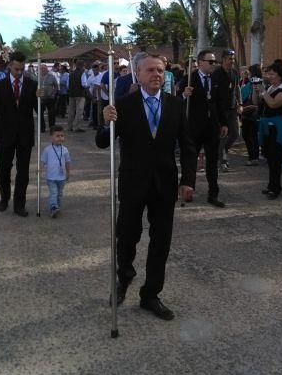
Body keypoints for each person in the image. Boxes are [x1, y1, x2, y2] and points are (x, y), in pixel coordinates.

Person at [96, 52, 196, 320]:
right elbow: (103, 142)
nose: (157, 75)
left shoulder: (175, 105)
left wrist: (188, 180)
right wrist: (106, 122)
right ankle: (124, 276)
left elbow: (187, 146)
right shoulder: (124, 105)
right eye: (151, 70)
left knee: (161, 240)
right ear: (137, 74)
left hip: (164, 183)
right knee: (127, 234)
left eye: (161, 71)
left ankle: (151, 294)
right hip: (133, 180)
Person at [0, 51, 39, 217]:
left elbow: (39, 110)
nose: (19, 72)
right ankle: (4, 197)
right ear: (10, 67)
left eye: (22, 69)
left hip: (25, 134)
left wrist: (42, 99)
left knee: (23, 171)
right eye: (16, 69)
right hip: (5, 133)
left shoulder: (32, 84)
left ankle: (19, 203)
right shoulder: (0, 85)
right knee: (3, 169)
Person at [182, 49, 228, 208]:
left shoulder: (215, 79)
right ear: (200, 62)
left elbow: (219, 103)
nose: (213, 64)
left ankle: (213, 193)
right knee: (190, 160)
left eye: (215, 62)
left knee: (212, 161)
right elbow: (177, 102)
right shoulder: (189, 79)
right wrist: (184, 95)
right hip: (194, 126)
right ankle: (188, 189)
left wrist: (224, 123)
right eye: (210, 61)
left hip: (212, 126)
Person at [257, 62, 282, 199]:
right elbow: (259, 103)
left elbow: (272, 104)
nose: (269, 76)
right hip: (268, 126)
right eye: (268, 73)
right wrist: (258, 92)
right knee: (270, 158)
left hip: (279, 128)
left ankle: (276, 188)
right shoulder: (271, 87)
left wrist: (263, 92)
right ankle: (271, 185)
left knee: (276, 158)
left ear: (280, 76)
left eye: (272, 74)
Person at [213, 49, 240, 173]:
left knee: (235, 133)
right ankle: (222, 160)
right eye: (230, 58)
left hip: (233, 108)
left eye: (233, 59)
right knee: (223, 136)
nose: (232, 61)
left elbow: (236, 88)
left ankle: (223, 151)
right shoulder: (216, 73)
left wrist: (239, 103)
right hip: (221, 109)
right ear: (223, 59)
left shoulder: (234, 72)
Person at [40, 125, 71, 218]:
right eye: (57, 136)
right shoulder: (47, 150)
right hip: (51, 177)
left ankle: (57, 207)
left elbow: (67, 162)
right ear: (51, 138)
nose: (60, 138)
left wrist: (68, 172)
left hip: (61, 177)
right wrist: (40, 169)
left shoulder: (65, 150)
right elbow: (43, 161)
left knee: (59, 194)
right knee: (54, 192)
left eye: (62, 136)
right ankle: (53, 207)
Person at [240, 65, 263, 165]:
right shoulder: (249, 83)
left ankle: (253, 157)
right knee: (249, 135)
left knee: (251, 136)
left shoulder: (257, 84)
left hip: (252, 114)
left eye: (249, 73)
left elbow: (255, 101)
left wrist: (254, 87)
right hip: (248, 113)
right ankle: (253, 157)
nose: (247, 75)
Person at [38, 64, 60, 132]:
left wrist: (53, 94)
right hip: (41, 98)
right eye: (41, 69)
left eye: (44, 69)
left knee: (51, 113)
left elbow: (56, 86)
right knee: (40, 113)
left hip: (50, 98)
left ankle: (52, 127)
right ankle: (42, 128)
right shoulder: (38, 77)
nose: (43, 70)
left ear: (47, 69)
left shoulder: (52, 77)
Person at [67, 59, 86, 132]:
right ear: (82, 66)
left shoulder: (71, 74)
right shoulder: (82, 73)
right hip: (80, 94)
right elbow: (84, 84)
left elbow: (67, 85)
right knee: (79, 111)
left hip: (71, 94)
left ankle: (69, 126)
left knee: (71, 111)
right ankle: (76, 127)